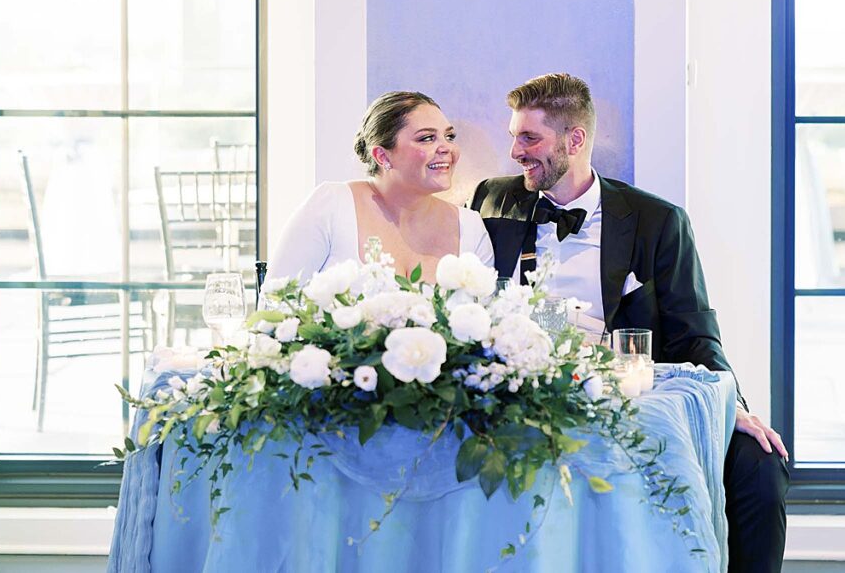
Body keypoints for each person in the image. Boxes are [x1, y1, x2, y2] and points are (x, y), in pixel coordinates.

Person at [470, 73, 789, 573]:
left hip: (627, 394)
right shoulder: (492, 199)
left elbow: (695, 332)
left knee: (760, 468)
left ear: (575, 140)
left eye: (529, 137)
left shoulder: (657, 221)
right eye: (514, 135)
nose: (514, 151)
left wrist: (735, 409)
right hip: (519, 393)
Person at [267, 91, 494, 284]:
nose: (446, 147)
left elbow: (487, 323)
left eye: (449, 136)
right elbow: (274, 306)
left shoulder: (471, 228)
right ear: (382, 156)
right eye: (427, 138)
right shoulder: (331, 206)